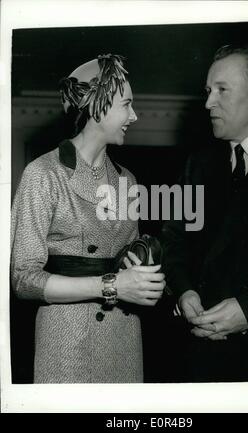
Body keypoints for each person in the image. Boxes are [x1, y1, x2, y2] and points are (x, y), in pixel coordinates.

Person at [11, 54, 166, 383]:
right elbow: (23, 279)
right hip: (67, 343)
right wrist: (113, 285)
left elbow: (128, 264)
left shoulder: (128, 182)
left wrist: (144, 276)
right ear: (98, 105)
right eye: (127, 104)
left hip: (124, 343)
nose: (134, 116)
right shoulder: (42, 174)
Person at [162, 45, 248, 382]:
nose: (208, 103)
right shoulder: (195, 165)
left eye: (222, 90)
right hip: (199, 360)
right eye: (207, 91)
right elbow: (173, 243)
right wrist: (185, 292)